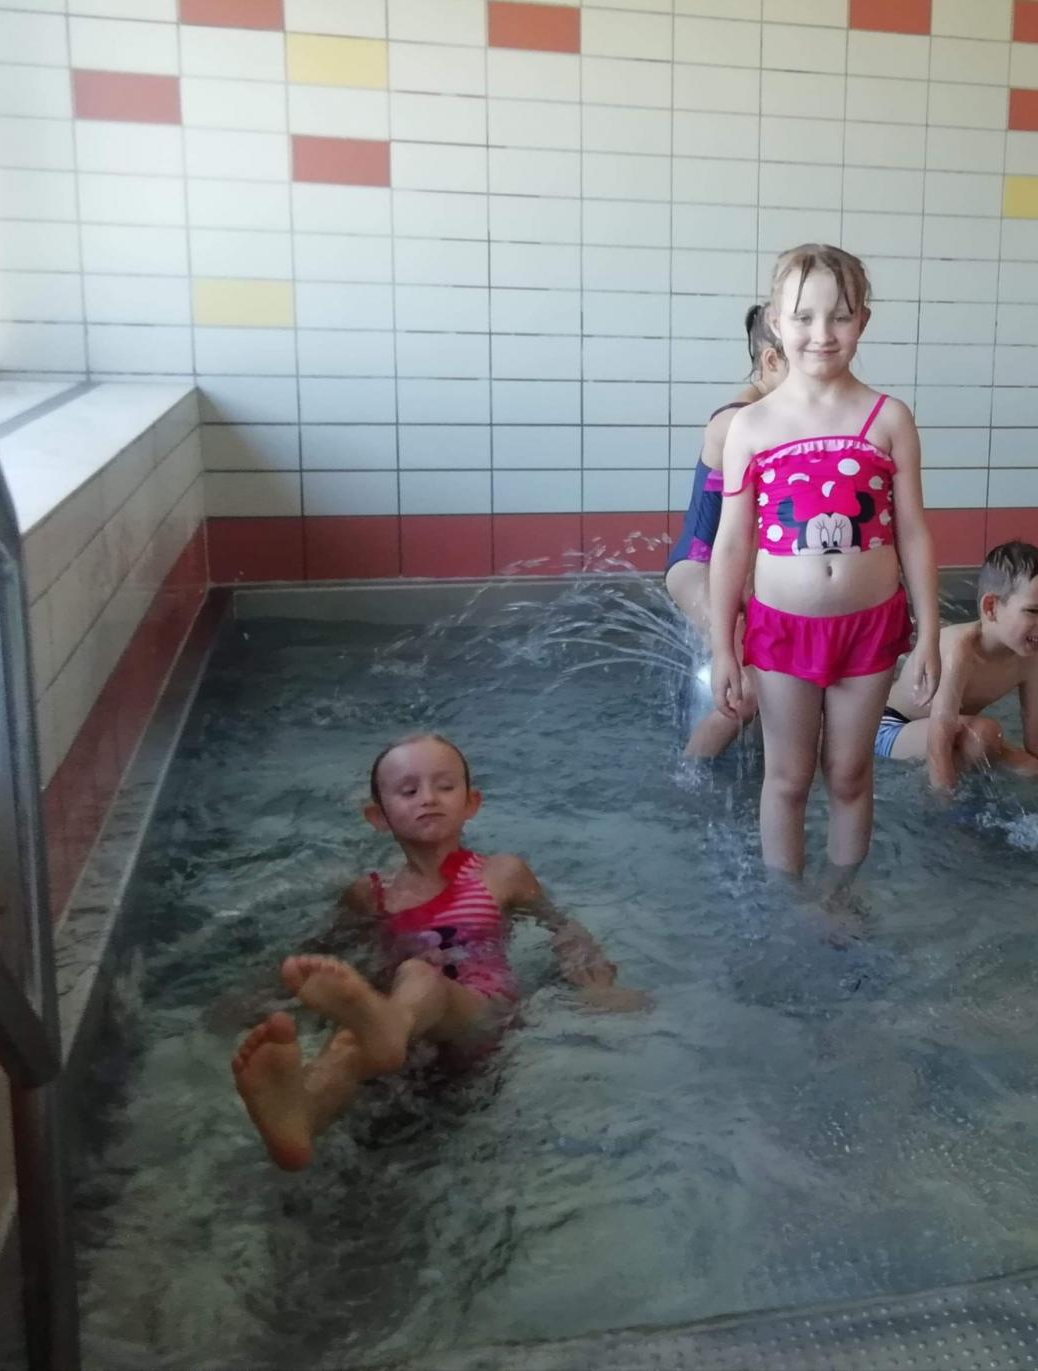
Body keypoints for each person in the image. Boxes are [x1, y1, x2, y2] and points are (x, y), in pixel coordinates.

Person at [231, 734, 645, 1170]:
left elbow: (563, 930)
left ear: (471, 803)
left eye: (444, 786)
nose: (428, 798)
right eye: (409, 791)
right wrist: (258, 997)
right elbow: (319, 958)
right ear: (378, 816)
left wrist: (598, 986)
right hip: (406, 1038)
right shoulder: (368, 895)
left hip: (482, 1016)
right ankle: (303, 1114)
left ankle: (391, 1026)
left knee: (418, 977)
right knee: (352, 1035)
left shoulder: (500, 873)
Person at [707, 243, 942, 877]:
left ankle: (841, 900)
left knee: (849, 774)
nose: (822, 333)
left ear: (863, 321)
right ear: (775, 323)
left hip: (870, 626)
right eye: (803, 317)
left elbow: (913, 531)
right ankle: (786, 903)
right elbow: (732, 544)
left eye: (840, 316)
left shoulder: (888, 418)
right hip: (781, 629)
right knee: (787, 777)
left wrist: (929, 634)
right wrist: (723, 647)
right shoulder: (750, 426)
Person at [666, 305, 787, 758]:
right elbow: (744, 528)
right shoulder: (735, 422)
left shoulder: (771, 416)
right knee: (749, 690)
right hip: (698, 567)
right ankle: (690, 773)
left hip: (741, 566)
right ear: (771, 360)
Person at [876, 540, 1038, 790]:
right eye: (1033, 611)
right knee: (983, 734)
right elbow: (939, 738)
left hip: (950, 731)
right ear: (991, 607)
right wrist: (945, 802)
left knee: (1032, 769)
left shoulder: (1029, 661)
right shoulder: (960, 651)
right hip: (887, 728)